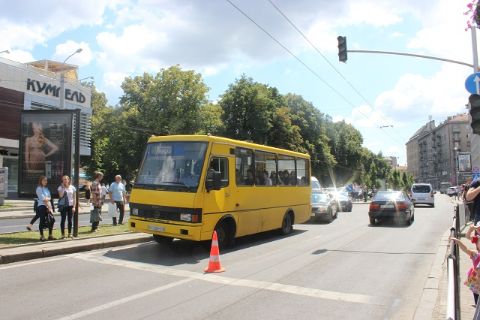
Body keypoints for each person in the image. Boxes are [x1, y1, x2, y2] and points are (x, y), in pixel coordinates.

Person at [451, 224, 480, 304]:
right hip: (476, 279)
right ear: (477, 245)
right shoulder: (475, 254)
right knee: (476, 297)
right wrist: (458, 241)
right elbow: (466, 249)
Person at [35, 175, 55, 241]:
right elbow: (42, 199)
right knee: (42, 220)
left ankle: (50, 235)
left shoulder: (46, 189)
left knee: (51, 220)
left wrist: (49, 207)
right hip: (41, 206)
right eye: (44, 180)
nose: (46, 182)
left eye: (46, 180)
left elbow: (49, 197)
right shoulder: (39, 188)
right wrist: (46, 199)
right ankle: (42, 236)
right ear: (41, 181)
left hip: (48, 206)